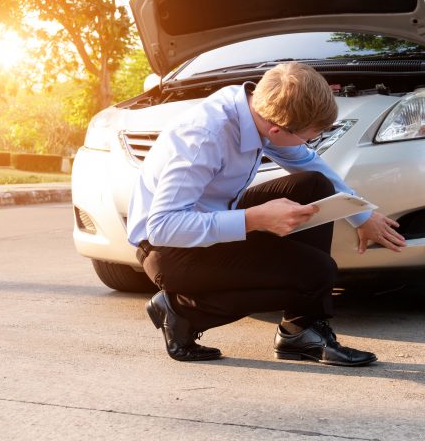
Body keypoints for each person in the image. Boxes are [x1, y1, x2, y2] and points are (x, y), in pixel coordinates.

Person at [127, 62, 406, 366]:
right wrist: (255, 219)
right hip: (171, 250)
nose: (308, 144)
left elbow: (309, 164)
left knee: (315, 185)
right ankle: (182, 311)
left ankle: (300, 332)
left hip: (213, 215)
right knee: (318, 273)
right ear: (276, 129)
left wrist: (361, 214)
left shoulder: (252, 106)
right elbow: (163, 227)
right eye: (308, 137)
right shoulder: (206, 138)